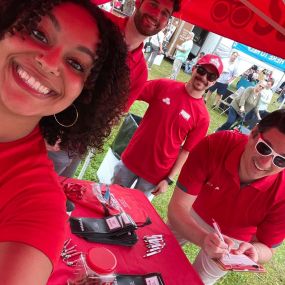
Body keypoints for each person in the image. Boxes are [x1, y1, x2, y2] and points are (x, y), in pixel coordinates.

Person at [0, 0, 129, 283]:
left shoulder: (37, 204)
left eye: (75, 63)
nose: (48, 62)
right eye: (39, 34)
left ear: (83, 95)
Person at [48, 0, 181, 177]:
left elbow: (115, 115)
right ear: (138, 2)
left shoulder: (140, 71)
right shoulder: (100, 22)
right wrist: (49, 125)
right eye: (153, 4)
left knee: (58, 188)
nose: (157, 15)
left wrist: (83, 138)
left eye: (165, 13)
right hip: (47, 125)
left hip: (77, 143)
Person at [168, 109, 285, 285]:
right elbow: (177, 209)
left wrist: (254, 251)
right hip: (193, 213)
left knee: (198, 280)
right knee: (161, 248)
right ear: (253, 133)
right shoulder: (217, 144)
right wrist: (202, 238)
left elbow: (267, 248)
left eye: (281, 160)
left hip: (235, 240)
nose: (265, 163)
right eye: (264, 147)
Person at [112, 54, 223, 200]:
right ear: (194, 68)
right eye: (202, 71)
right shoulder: (164, 86)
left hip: (156, 174)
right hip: (132, 158)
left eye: (211, 76)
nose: (204, 78)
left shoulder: (203, 117)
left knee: (132, 211)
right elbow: (132, 92)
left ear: (214, 82)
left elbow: (186, 151)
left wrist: (168, 180)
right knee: (110, 199)